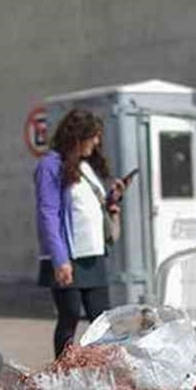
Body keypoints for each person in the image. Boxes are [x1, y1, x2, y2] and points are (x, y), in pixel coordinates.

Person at [34, 109, 124, 357]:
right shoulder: (50, 165)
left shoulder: (85, 166)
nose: (96, 143)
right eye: (93, 136)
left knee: (101, 320)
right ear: (77, 136)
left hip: (93, 254)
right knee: (69, 317)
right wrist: (60, 260)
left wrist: (112, 200)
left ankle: (105, 372)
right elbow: (48, 213)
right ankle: (63, 372)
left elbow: (91, 205)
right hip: (67, 257)